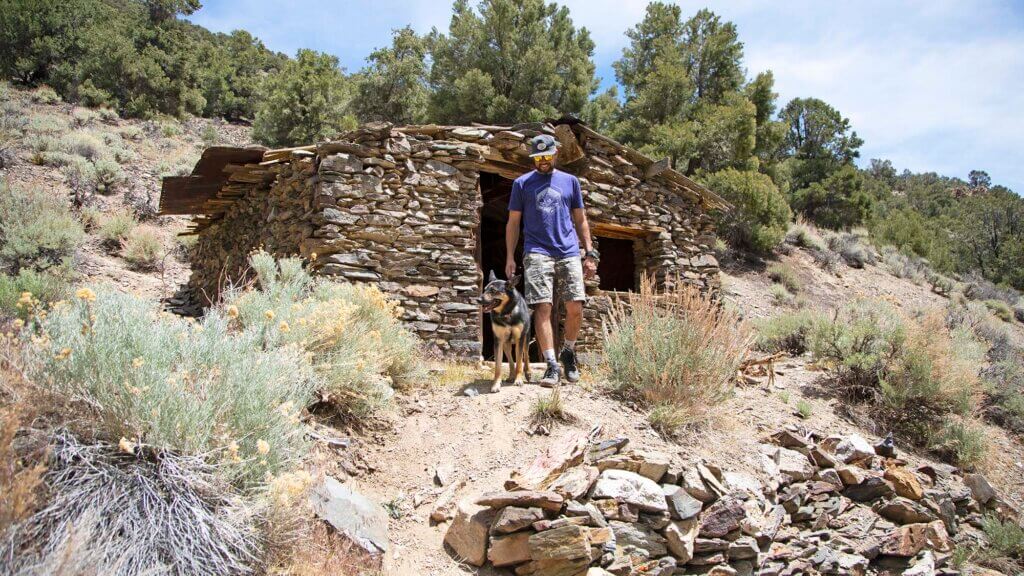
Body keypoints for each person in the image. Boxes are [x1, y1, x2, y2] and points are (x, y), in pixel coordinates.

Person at [505, 134, 600, 386]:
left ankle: (568, 352)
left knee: (575, 306)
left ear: (556, 153)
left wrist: (589, 252)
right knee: (543, 306)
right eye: (538, 158)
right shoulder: (522, 184)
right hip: (536, 250)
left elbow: (580, 219)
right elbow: (513, 222)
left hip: (568, 250)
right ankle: (551, 365)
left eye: (547, 156)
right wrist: (509, 257)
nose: (543, 162)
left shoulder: (570, 182)